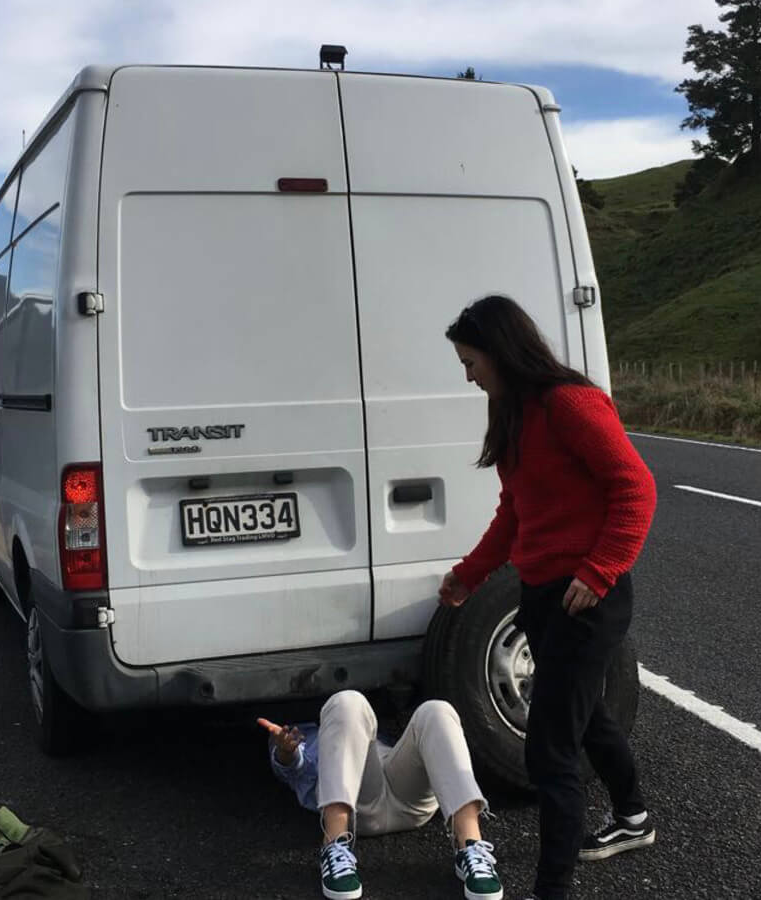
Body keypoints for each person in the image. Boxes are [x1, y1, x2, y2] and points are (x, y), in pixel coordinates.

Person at [438, 295, 658, 900]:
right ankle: (634, 817)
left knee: (550, 749)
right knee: (585, 718)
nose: (468, 375)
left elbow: (636, 489)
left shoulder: (569, 404)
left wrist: (601, 569)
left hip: (587, 599)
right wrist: (468, 575)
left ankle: (552, 887)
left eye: (470, 360)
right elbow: (516, 513)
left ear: (501, 351)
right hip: (541, 597)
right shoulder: (514, 414)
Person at [258, 689, 503, 900]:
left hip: (409, 799)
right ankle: (334, 846)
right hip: (360, 805)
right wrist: (287, 753)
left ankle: (471, 848)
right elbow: (295, 773)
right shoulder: (298, 732)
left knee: (436, 710)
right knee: (347, 702)